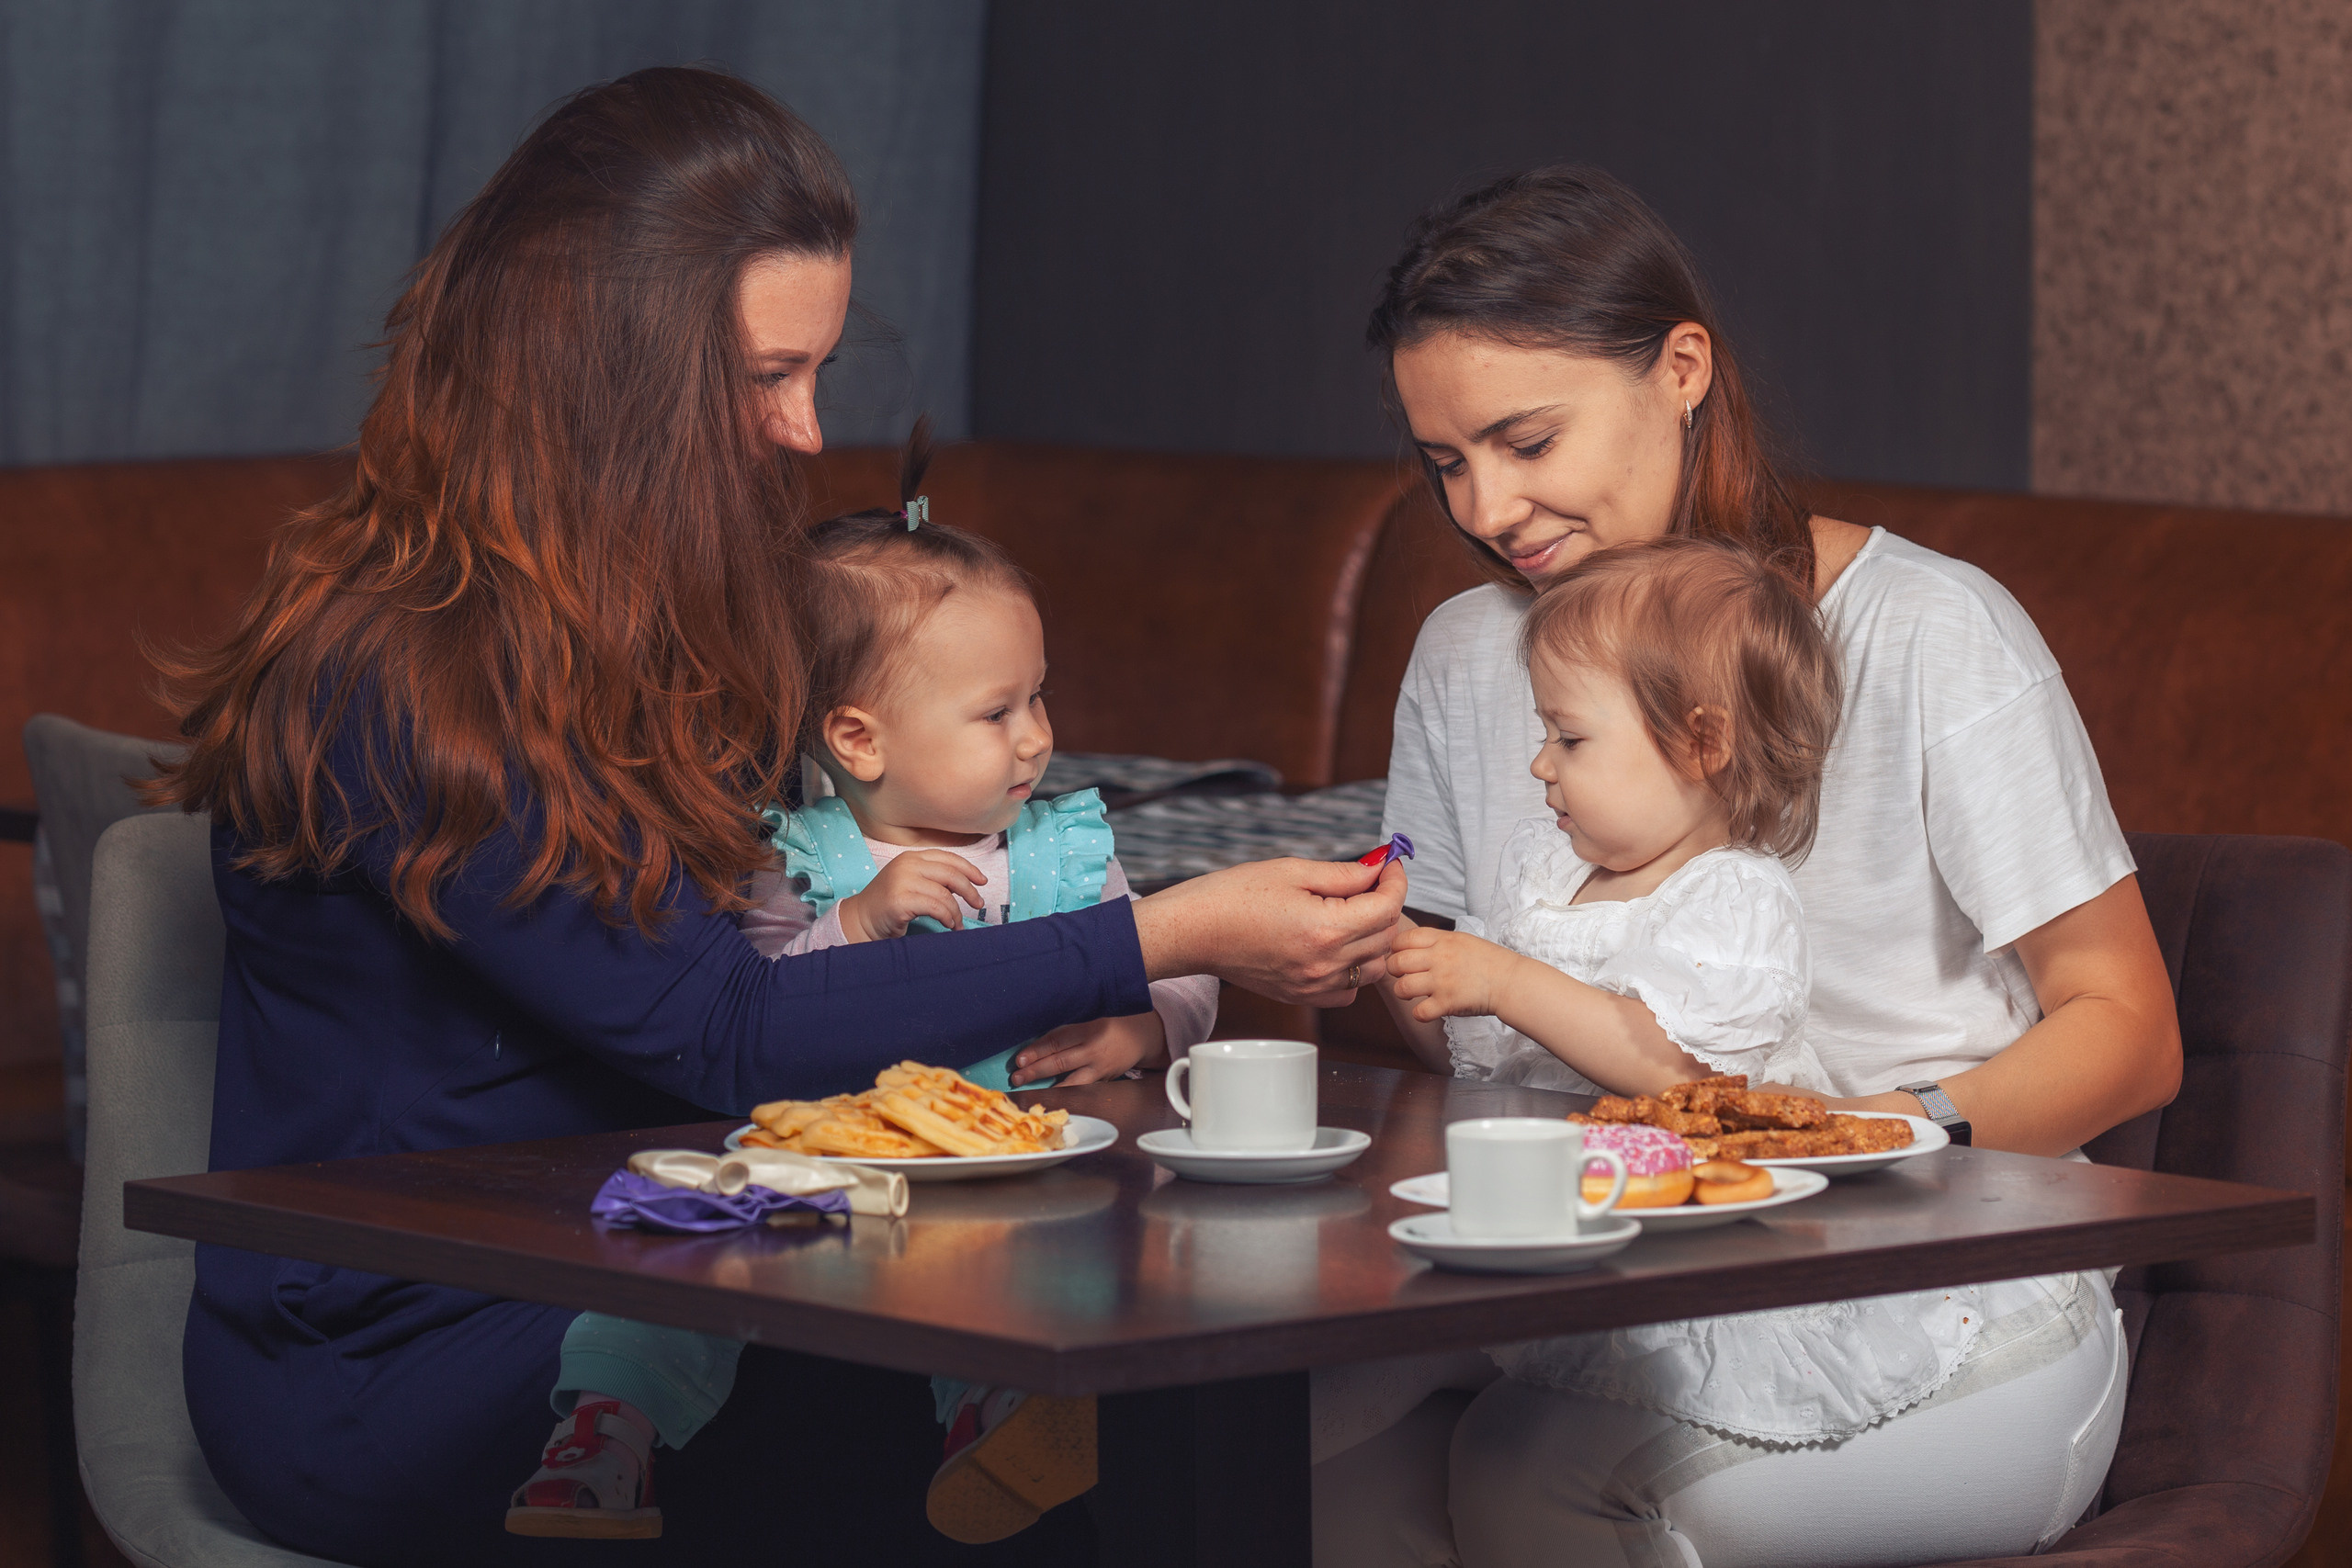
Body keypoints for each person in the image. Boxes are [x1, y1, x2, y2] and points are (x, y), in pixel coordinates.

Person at [153, 68, 1401, 1566]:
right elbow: (725, 1029)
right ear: (607, 369)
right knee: (1045, 1434)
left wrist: (1131, 989)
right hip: (414, 1349)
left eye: (814, 371)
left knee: (1114, 1383)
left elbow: (811, 926)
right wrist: (1160, 934)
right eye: (764, 376)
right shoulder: (396, 668)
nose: (810, 432)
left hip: (665, 1265)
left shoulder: (646, 623)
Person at [1331, 165, 2181, 1566]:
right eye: (1445, 462)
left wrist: (1870, 1141)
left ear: (1680, 370)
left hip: (1942, 1295)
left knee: (1542, 1484)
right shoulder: (1469, 656)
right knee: (1311, 1477)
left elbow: (2130, 1032)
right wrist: (1383, 963)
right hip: (1605, 1280)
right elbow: (1443, 1023)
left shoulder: (1928, 634)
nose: (1487, 504)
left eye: (1526, 439)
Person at [509, 434, 1219, 1545]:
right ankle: (601, 1438)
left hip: (1007, 1170)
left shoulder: (1065, 850)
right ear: (857, 738)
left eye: (1040, 698)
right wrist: (857, 921)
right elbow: (754, 1014)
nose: (1038, 738)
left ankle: (994, 1429)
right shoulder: (796, 862)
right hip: (818, 1163)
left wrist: (1143, 1025)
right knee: (677, 1255)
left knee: (1019, 1275)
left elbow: (1182, 959)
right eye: (997, 713)